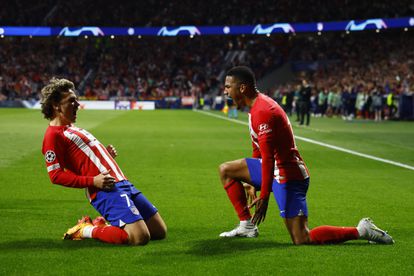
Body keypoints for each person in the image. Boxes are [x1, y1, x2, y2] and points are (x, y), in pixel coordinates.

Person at [218, 66, 394, 245]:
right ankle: (246, 225)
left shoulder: (263, 111)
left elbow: (269, 157)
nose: (225, 91)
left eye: (227, 87)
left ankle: (362, 230)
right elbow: (259, 151)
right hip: (273, 168)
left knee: (301, 238)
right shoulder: (255, 107)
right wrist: (250, 181)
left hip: (289, 174)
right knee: (226, 170)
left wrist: (264, 197)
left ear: (242, 88)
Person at [40, 78, 167, 245]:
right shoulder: (53, 136)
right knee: (140, 237)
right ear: (56, 106)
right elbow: (55, 176)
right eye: (71, 101)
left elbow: (84, 159)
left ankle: (109, 224)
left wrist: (105, 156)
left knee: (159, 231)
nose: (77, 104)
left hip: (123, 182)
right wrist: (93, 181)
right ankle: (85, 230)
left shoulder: (71, 128)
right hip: (104, 189)